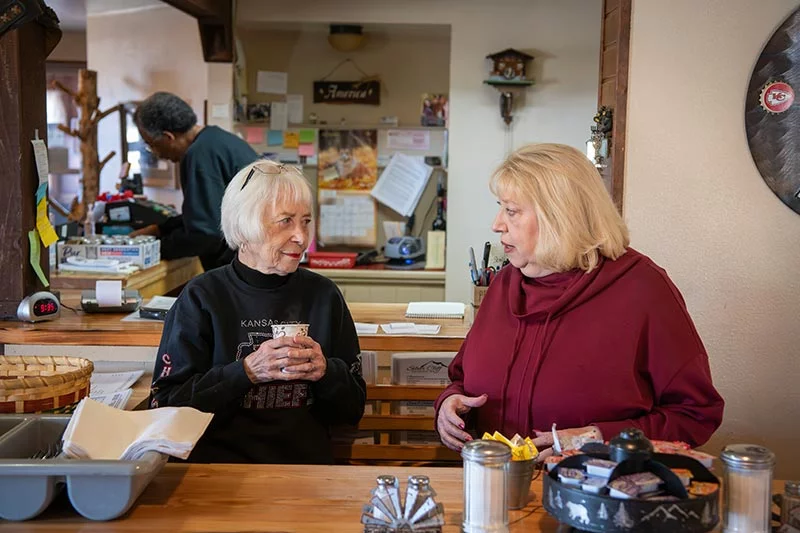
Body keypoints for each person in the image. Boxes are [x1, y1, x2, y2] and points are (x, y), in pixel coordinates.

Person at [435, 143, 724, 457]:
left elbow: (695, 415)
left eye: (512, 211)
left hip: (597, 495)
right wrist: (449, 405)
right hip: (494, 485)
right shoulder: (504, 284)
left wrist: (597, 438)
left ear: (559, 217)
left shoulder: (644, 290)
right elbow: (462, 379)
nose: (497, 224)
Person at [149, 160, 366, 464]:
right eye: (285, 221)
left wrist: (326, 372)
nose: (302, 238)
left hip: (305, 473)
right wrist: (246, 371)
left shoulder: (324, 296)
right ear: (245, 224)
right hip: (216, 473)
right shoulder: (202, 297)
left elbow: (352, 410)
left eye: (305, 221)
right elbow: (165, 407)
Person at [130, 92, 258, 271]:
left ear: (168, 137)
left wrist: (153, 249)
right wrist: (161, 229)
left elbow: (205, 234)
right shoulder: (219, 140)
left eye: (151, 144)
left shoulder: (199, 154)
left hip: (242, 268)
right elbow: (210, 212)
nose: (157, 153)